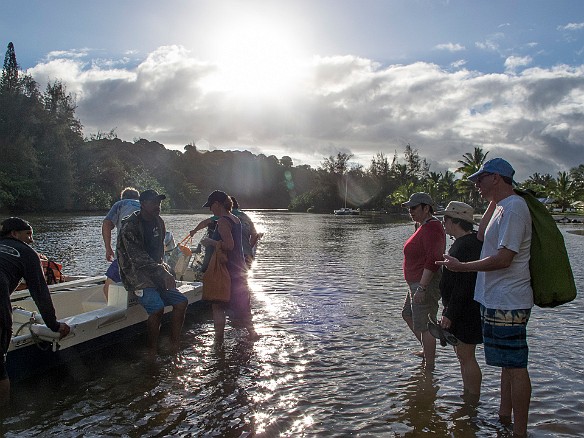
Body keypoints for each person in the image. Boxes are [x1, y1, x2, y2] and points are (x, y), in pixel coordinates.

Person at [437, 158, 533, 437]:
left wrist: (461, 267)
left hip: (509, 300)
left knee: (515, 367)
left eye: (481, 179)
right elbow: (480, 234)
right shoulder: (503, 206)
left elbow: (504, 259)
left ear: (497, 178)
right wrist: (494, 199)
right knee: (507, 365)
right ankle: (504, 418)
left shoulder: (514, 209)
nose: (476, 184)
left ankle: (521, 432)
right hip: (496, 300)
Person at [0, 217, 71, 406]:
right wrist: (54, 325)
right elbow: (40, 293)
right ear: (14, 234)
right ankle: (4, 415)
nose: (31, 240)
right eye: (28, 235)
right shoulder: (27, 253)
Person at [116, 189, 188, 356]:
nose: (158, 206)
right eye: (154, 202)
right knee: (157, 308)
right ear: (142, 204)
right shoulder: (130, 226)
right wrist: (163, 272)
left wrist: (167, 271)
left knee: (181, 302)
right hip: (136, 274)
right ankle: (151, 351)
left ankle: (174, 344)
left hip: (155, 271)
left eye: (159, 202)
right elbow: (137, 258)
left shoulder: (158, 222)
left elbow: (159, 253)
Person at [437, 201, 483, 400]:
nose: (443, 224)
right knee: (462, 356)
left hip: (465, 310)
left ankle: (472, 400)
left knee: (466, 356)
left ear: (453, 221)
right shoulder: (467, 242)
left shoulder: (466, 245)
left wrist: (450, 313)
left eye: (444, 220)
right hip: (463, 307)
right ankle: (468, 398)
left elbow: (464, 284)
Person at [200, 190, 258, 343]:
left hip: (227, 269)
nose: (210, 210)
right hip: (239, 268)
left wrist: (210, 242)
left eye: (211, 206)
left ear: (217, 204)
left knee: (218, 305)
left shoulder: (223, 221)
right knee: (243, 304)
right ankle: (252, 333)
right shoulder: (236, 219)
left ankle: (218, 340)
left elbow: (229, 245)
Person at [401, 192, 445, 371]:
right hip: (416, 282)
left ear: (426, 208)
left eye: (414, 208)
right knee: (408, 314)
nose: (410, 211)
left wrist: (422, 287)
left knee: (426, 324)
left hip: (424, 283)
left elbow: (433, 258)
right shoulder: (422, 225)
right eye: (409, 208)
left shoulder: (432, 227)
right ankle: (427, 351)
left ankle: (430, 366)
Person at [102, 187, 140, 298]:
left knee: (107, 288)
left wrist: (108, 248)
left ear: (123, 197)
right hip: (145, 254)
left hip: (125, 253)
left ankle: (112, 312)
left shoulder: (120, 204)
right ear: (137, 198)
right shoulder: (145, 205)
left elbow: (107, 224)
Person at [231, 197, 260, 269]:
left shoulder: (225, 216)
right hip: (247, 254)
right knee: (243, 278)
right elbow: (254, 235)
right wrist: (249, 248)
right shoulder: (246, 216)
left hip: (232, 256)